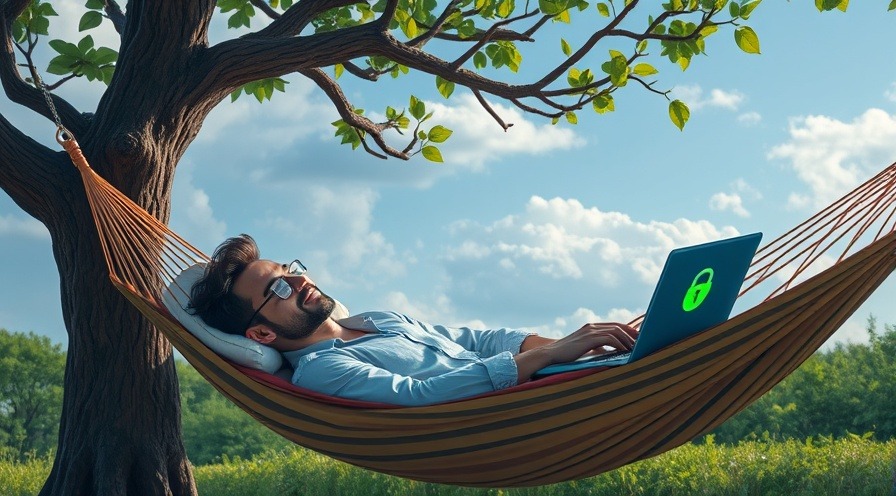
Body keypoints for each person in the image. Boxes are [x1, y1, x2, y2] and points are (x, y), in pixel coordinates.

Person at [189, 234, 639, 406]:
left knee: (655, 340)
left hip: (550, 375)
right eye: (279, 288)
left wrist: (570, 345)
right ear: (262, 333)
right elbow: (420, 396)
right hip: (517, 404)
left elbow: (475, 339)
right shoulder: (320, 371)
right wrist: (551, 357)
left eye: (291, 270)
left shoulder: (377, 319)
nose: (300, 281)